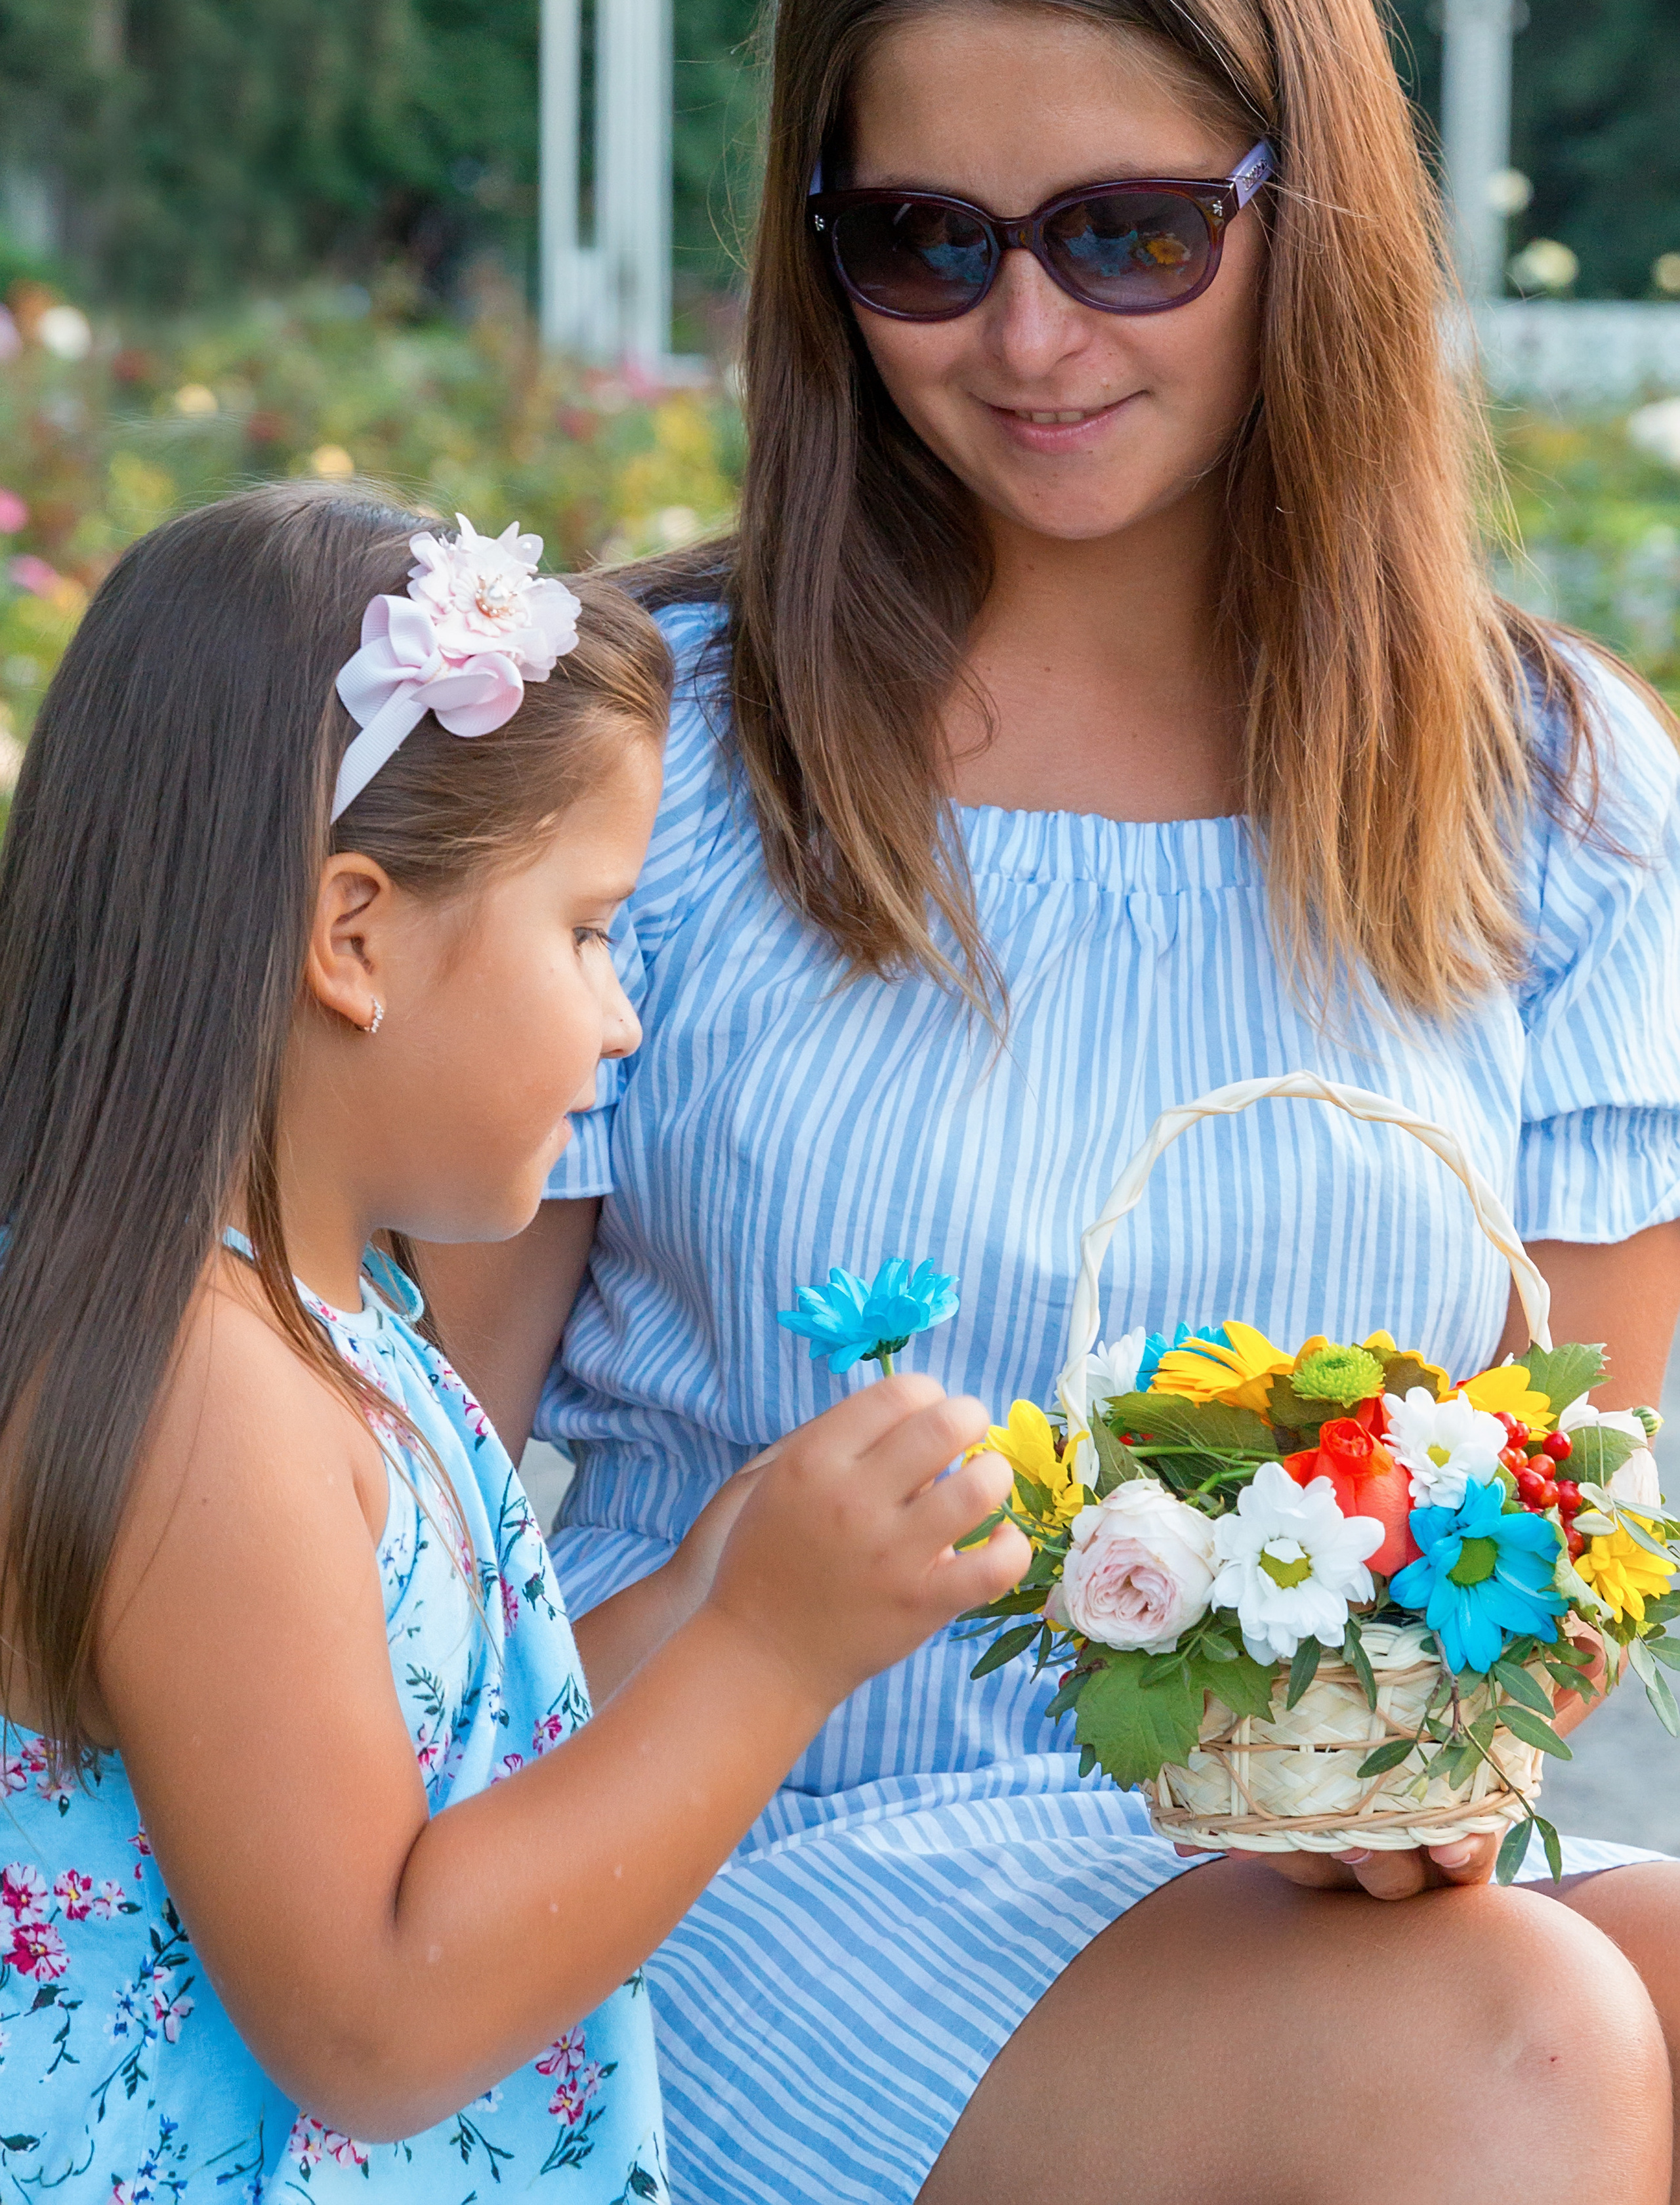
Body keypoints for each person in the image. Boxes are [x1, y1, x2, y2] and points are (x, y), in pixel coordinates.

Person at [421, 0, 1680, 2205]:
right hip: (741, 1854)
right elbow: (402, 1487)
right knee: (1516, 2045)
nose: (1025, 337)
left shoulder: (1547, 785)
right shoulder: (640, 756)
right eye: (922, 240)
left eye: (1127, 234)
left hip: (1302, 1871)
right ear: (821, 245)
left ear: (1303, 209)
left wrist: (1439, 1768)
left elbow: (1571, 1543)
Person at [0, 484, 1028, 2193]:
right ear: (354, 936)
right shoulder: (207, 1395)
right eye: (587, 929)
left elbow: (445, 1782)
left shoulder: (329, 1328)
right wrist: (766, 1658)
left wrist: (713, 1585)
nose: (623, 1011)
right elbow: (375, 2017)